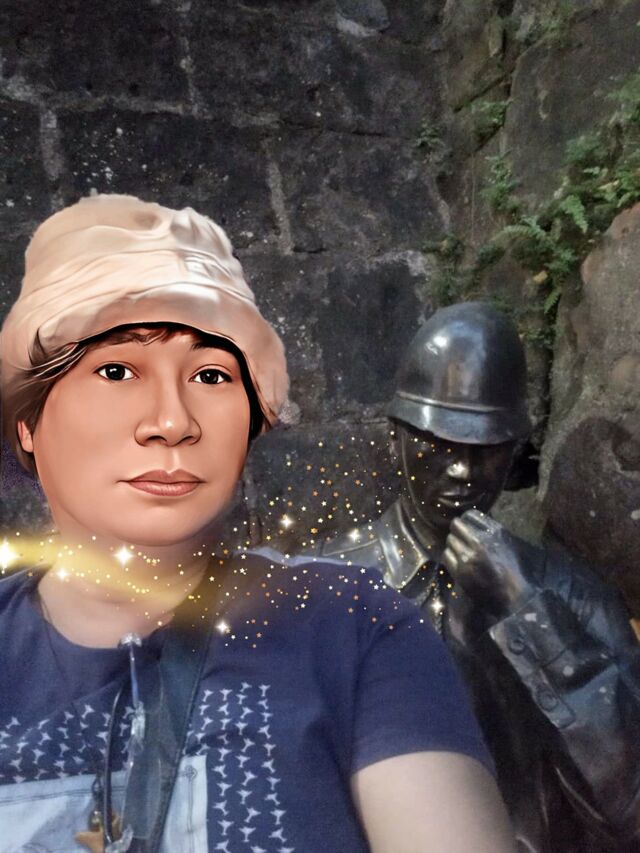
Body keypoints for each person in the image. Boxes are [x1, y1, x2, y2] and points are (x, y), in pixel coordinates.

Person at [0, 196, 515, 853]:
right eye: (117, 370)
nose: (172, 421)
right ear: (28, 421)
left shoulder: (355, 627)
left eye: (212, 374)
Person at [316, 302, 640, 853]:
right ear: (396, 438)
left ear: (514, 453)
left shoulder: (572, 597)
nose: (462, 470)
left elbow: (631, 804)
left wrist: (527, 608)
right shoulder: (324, 588)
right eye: (439, 444)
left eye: (485, 450)